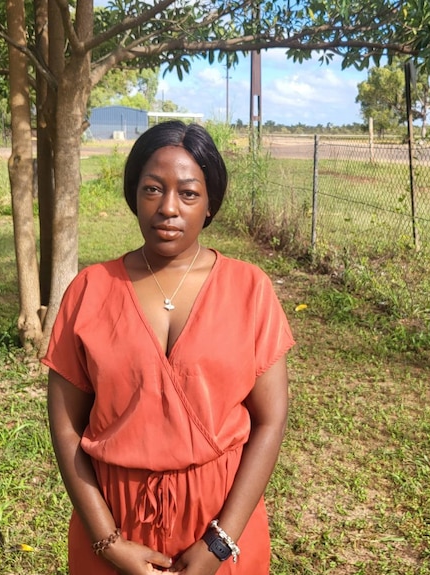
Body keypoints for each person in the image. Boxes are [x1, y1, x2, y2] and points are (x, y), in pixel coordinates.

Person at [44, 120, 294, 575]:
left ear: (211, 203)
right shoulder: (89, 290)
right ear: (133, 195)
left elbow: (271, 420)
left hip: (222, 527)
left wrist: (218, 544)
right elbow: (65, 428)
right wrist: (108, 541)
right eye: (153, 189)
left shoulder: (249, 290)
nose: (169, 209)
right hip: (115, 525)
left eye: (189, 193)